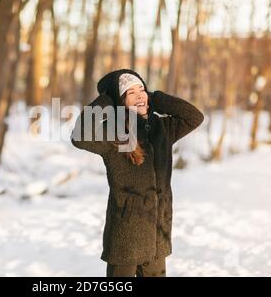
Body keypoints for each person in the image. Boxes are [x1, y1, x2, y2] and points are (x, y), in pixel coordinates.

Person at [70, 69, 204, 277]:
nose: (140, 94)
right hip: (126, 236)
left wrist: (156, 98)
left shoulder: (162, 128)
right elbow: (79, 136)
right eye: (130, 92)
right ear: (120, 101)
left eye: (142, 89)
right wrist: (106, 100)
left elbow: (194, 117)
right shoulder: (112, 132)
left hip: (157, 232)